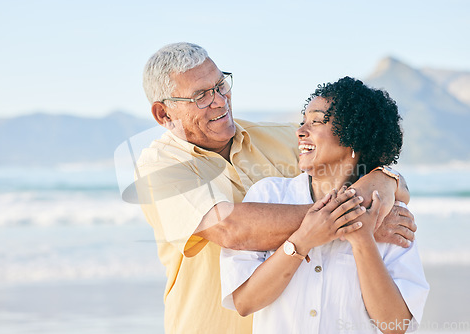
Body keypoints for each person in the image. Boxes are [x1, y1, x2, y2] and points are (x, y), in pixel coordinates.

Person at [134, 42, 417, 334]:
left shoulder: (281, 138)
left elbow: (361, 158)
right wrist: (351, 219)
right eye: (201, 96)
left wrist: (386, 178)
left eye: (220, 85)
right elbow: (230, 228)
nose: (219, 100)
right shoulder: (158, 167)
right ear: (164, 114)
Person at [220, 77, 429, 334]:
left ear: (355, 135)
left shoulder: (389, 214)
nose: (300, 131)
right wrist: (302, 240)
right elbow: (245, 302)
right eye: (303, 121)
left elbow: (396, 325)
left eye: (316, 121)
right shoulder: (268, 195)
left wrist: (363, 240)